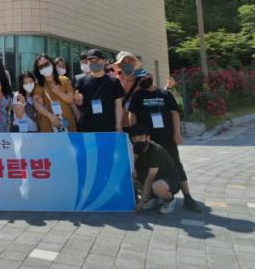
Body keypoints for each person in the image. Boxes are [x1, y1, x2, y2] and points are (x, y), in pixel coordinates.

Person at [128, 70, 201, 212]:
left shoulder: (165, 94)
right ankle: (153, 197)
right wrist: (135, 136)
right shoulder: (138, 95)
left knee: (176, 164)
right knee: (143, 168)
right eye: (140, 78)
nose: (143, 79)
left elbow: (175, 113)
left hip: (166, 138)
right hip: (147, 141)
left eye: (145, 76)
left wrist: (177, 133)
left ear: (151, 76)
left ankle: (188, 197)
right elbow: (132, 115)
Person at [130, 124, 180, 214]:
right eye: (135, 139)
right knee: (131, 177)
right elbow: (133, 161)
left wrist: (140, 203)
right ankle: (155, 198)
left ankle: (170, 199)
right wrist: (134, 170)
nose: (138, 141)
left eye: (141, 138)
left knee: (157, 186)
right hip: (156, 178)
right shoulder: (137, 148)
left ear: (148, 137)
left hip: (170, 180)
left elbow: (150, 179)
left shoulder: (155, 151)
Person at [74, 49, 125, 133]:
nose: (93, 63)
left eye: (96, 60)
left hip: (109, 127)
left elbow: (118, 105)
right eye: (90, 61)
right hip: (87, 128)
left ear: (104, 61)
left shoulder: (114, 81)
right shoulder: (81, 81)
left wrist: (118, 124)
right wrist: (78, 101)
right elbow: (79, 104)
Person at [33, 54, 78, 133]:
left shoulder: (64, 80)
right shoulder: (38, 86)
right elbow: (37, 105)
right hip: (48, 125)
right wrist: (51, 116)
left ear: (52, 64)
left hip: (67, 123)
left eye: (46, 64)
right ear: (38, 70)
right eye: (41, 67)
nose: (44, 67)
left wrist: (59, 92)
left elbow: (71, 99)